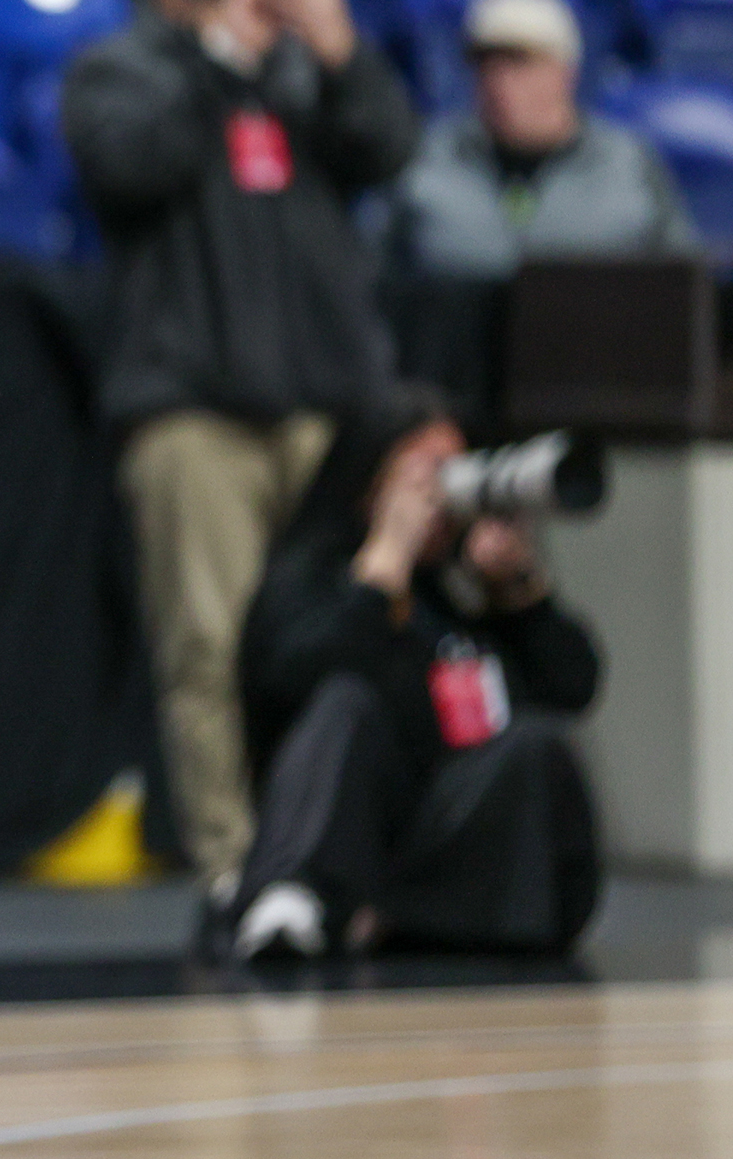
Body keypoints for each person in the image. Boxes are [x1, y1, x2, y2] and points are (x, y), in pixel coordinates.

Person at [59, 0, 420, 952]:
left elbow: (389, 150)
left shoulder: (301, 66)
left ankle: (323, 858)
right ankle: (233, 868)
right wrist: (221, 58)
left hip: (320, 403)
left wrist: (342, 48)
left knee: (337, 635)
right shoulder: (121, 68)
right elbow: (135, 163)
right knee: (206, 650)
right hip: (195, 410)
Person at [230, 401, 604, 960]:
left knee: (536, 744)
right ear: (368, 485)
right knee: (346, 702)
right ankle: (293, 893)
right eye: (423, 476)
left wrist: (521, 595)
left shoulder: (456, 599)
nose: (440, 499)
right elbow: (287, 682)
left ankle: (408, 916)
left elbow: (571, 688)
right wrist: (381, 572)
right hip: (347, 827)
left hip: (443, 839)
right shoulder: (311, 577)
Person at [386, 0, 698, 277]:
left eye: (520, 61)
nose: (500, 82)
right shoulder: (425, 160)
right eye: (486, 63)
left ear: (565, 71)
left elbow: (683, 287)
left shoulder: (628, 164)